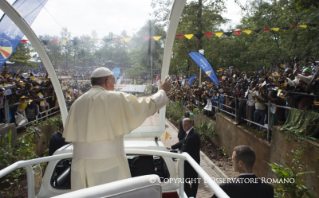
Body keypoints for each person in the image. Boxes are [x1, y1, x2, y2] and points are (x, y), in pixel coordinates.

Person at [63, 67, 172, 191]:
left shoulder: (76, 103)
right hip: (107, 166)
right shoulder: (114, 98)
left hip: (79, 168)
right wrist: (162, 91)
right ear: (108, 81)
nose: (114, 87)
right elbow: (145, 106)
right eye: (114, 83)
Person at [169, 118, 200, 198]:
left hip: (191, 163)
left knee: (190, 180)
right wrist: (172, 147)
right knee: (187, 179)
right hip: (187, 162)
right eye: (183, 125)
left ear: (191, 124)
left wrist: (174, 154)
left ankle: (191, 195)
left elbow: (185, 149)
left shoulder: (193, 136)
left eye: (185, 125)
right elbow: (182, 142)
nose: (184, 127)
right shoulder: (188, 133)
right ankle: (191, 195)